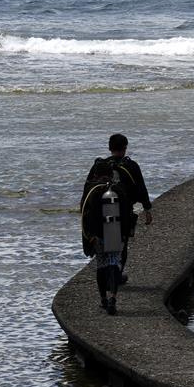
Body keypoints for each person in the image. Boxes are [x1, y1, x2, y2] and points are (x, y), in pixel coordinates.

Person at [82, 133, 153, 314]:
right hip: (123, 216)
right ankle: (116, 280)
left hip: (97, 221)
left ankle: (103, 297)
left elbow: (86, 193)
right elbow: (141, 188)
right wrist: (147, 209)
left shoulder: (99, 166)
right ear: (126, 147)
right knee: (120, 250)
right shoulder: (131, 166)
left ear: (109, 147)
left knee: (101, 259)